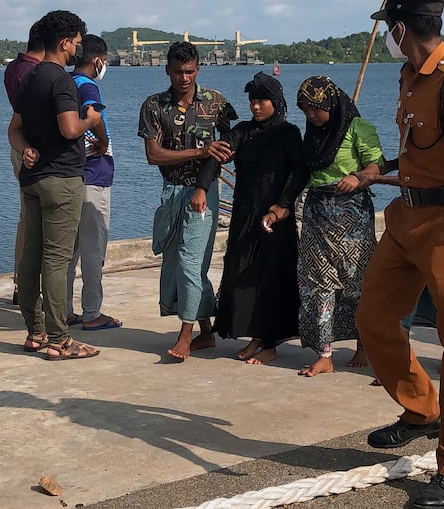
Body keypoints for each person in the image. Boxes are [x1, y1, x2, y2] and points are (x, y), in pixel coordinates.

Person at [357, 0, 444, 509]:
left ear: (399, 28)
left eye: (386, 26)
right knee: (372, 319)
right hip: (406, 216)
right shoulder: (410, 76)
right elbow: (417, 148)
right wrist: (381, 168)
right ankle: (421, 409)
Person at [8, 10, 103, 360]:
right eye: (77, 43)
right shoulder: (62, 81)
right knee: (57, 259)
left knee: (32, 256)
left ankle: (35, 332)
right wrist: (89, 118)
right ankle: (60, 339)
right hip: (61, 178)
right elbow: (68, 129)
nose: (78, 49)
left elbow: (13, 128)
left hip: (32, 179)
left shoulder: (30, 78)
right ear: (65, 43)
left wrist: (26, 149)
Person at [137, 41, 238, 360]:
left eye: (190, 71)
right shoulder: (153, 106)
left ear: (198, 69)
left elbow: (229, 144)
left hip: (203, 192)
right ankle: (207, 332)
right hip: (170, 192)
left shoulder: (216, 102)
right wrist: (200, 151)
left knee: (189, 262)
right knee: (176, 261)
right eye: (178, 72)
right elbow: (153, 155)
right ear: (167, 70)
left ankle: (185, 335)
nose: (184, 78)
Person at [206, 72, 306, 365]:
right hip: (245, 214)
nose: (256, 107)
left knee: (273, 277)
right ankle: (255, 337)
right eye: (252, 101)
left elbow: (299, 171)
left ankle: (270, 343)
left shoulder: (288, 134)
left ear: (275, 102)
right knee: (243, 274)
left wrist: (283, 205)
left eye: (262, 101)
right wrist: (201, 187)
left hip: (276, 215)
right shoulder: (244, 131)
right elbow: (218, 155)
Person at [295, 75, 384, 377]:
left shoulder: (359, 129)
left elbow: (377, 166)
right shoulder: (312, 134)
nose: (310, 116)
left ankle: (364, 343)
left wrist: (358, 177)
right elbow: (303, 173)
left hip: (352, 216)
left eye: (314, 109)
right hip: (316, 215)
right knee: (316, 282)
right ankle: (325, 353)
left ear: (330, 104)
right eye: (304, 110)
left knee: (356, 281)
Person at [65, 34, 123, 331]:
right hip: (94, 173)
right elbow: (92, 115)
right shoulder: (88, 85)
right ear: (98, 60)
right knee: (93, 248)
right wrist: (102, 139)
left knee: (68, 249)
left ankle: (64, 308)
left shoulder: (65, 83)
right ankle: (92, 312)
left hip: (71, 173)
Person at [3, 21, 45, 305]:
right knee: (40, 221)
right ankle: (33, 286)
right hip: (35, 149)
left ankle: (21, 283)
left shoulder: (13, 68)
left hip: (19, 147)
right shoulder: (36, 73)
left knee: (27, 218)